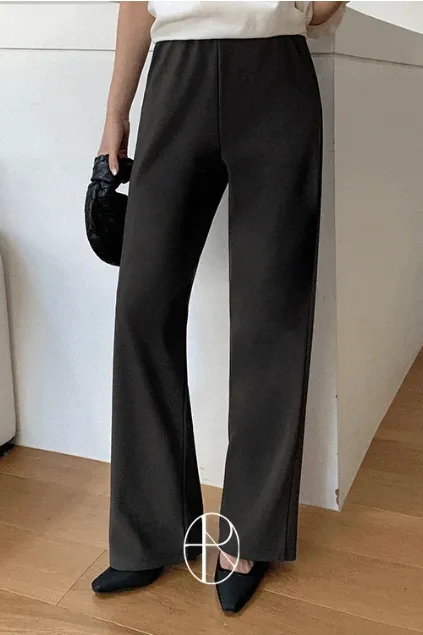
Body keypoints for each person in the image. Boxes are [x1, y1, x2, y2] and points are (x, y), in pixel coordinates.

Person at [91, 0, 348, 614]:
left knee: (270, 313)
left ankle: (247, 538)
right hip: (174, 75)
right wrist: (115, 114)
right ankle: (151, 531)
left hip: (275, 74)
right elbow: (137, 4)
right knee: (143, 307)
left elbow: (318, 11)